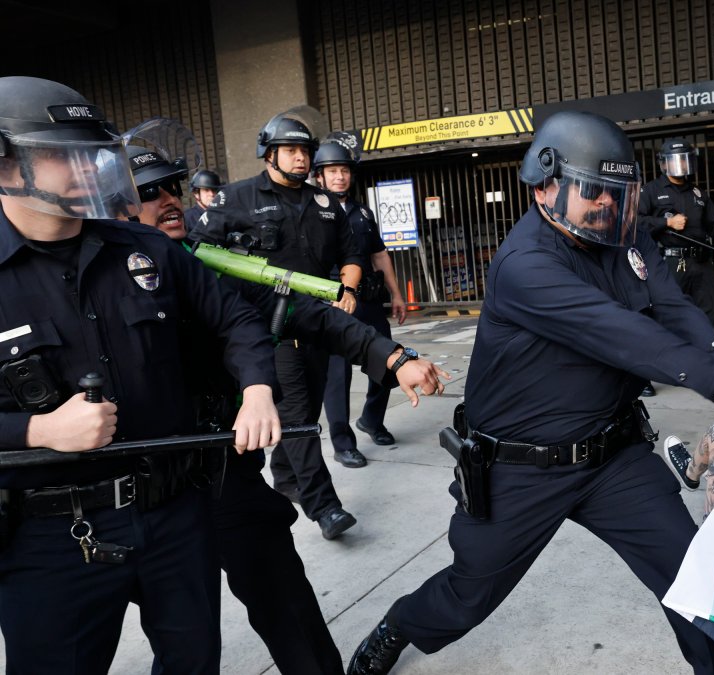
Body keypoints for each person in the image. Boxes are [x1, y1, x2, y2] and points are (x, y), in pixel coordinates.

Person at [346, 111, 714, 675]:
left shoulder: (625, 235)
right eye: (594, 192)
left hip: (612, 456)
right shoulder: (525, 265)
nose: (607, 205)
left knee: (694, 587)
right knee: (466, 597)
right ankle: (400, 624)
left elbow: (673, 309)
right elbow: (624, 335)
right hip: (519, 471)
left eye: (617, 194)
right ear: (545, 184)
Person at [126, 140, 449, 674]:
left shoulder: (209, 268)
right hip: (147, 490)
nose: (169, 200)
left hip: (225, 466)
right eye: (148, 193)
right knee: (184, 640)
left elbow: (301, 313)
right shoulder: (99, 281)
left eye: (172, 188)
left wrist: (391, 355)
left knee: (288, 604)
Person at [0, 76, 280, 674]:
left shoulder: (148, 250)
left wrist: (256, 390)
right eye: (58, 152)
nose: (83, 166)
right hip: (50, 537)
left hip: (175, 512)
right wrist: (36, 432)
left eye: (88, 151)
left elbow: (236, 320)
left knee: (193, 661)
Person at [190, 111, 366, 540]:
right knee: (294, 414)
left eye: (305, 151)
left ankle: (286, 477)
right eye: (291, 151)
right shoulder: (236, 198)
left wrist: (349, 289)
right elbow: (199, 256)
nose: (301, 159)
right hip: (272, 327)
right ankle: (324, 506)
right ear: (269, 155)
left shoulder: (324, 203)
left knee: (304, 410)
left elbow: (351, 254)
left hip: (320, 324)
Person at [313, 140, 407, 468]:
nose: (339, 177)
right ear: (319, 176)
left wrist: (396, 294)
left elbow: (378, 254)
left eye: (344, 171)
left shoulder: (362, 212)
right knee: (337, 377)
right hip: (332, 305)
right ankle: (342, 443)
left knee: (388, 359)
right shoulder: (311, 212)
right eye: (332, 171)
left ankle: (372, 419)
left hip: (367, 301)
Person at [637, 137, 714, 329]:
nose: (679, 164)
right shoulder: (650, 191)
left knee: (710, 311)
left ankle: (709, 355)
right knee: (671, 314)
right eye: (674, 159)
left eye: (683, 159)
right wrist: (667, 222)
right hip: (670, 264)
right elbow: (636, 223)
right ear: (664, 163)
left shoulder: (698, 193)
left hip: (700, 264)